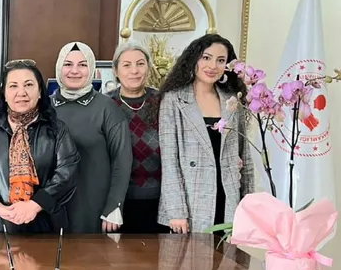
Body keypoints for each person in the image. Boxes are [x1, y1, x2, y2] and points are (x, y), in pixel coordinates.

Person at [0, 59, 80, 233]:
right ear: (4, 93)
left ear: (40, 92)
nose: (21, 92)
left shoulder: (57, 129)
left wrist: (34, 205)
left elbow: (67, 172)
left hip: (44, 225)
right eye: (13, 86)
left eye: (28, 85)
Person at [158, 34, 255, 234]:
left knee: (226, 254)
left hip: (228, 199)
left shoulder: (232, 101)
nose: (213, 66)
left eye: (221, 60)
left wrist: (249, 205)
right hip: (190, 201)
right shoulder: (174, 100)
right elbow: (169, 161)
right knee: (189, 255)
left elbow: (245, 157)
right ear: (194, 59)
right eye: (206, 58)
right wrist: (176, 211)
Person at [52, 41, 132, 233]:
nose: (75, 71)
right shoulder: (46, 108)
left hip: (93, 205)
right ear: (59, 67)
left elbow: (122, 159)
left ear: (92, 69)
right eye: (68, 64)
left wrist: (114, 205)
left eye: (82, 64)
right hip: (50, 206)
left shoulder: (107, 108)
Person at [108, 41, 166, 233]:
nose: (134, 70)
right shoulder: (105, 104)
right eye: (127, 65)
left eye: (140, 64)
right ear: (115, 70)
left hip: (160, 201)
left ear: (148, 67)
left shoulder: (163, 102)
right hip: (116, 202)